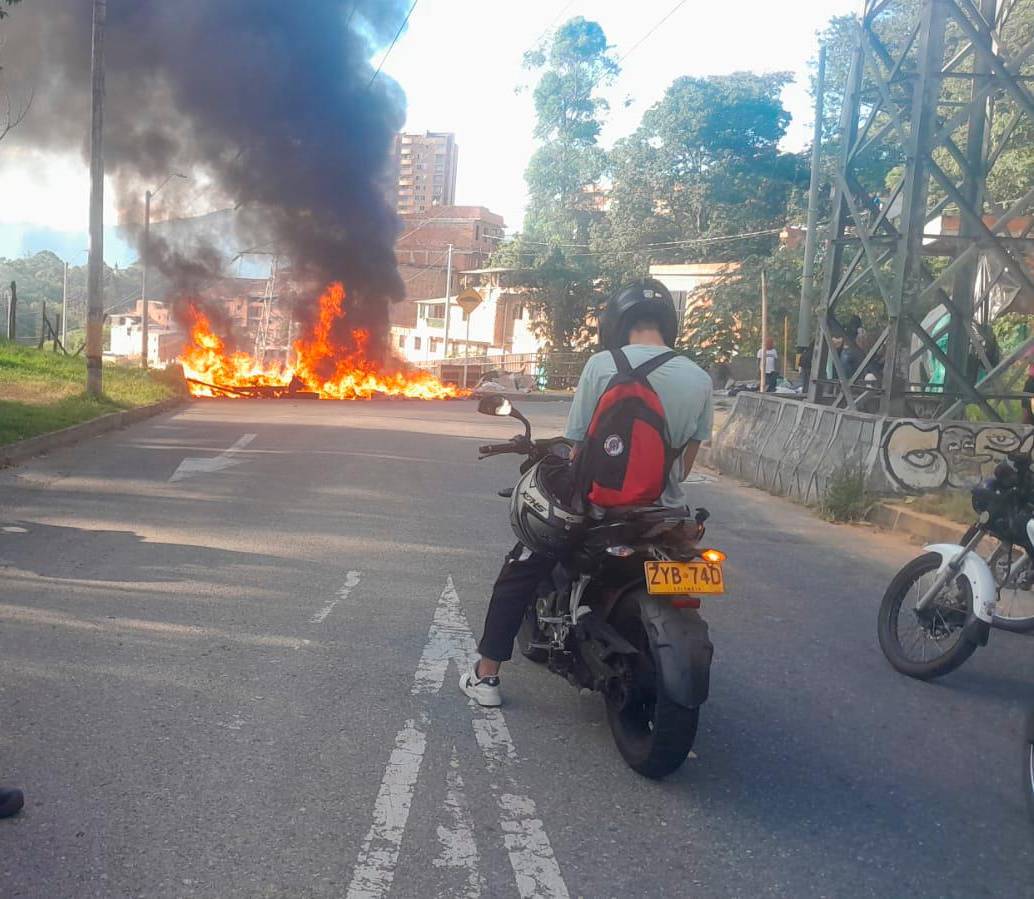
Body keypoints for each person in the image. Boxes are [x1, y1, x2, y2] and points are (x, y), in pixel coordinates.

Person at [460, 279, 714, 707]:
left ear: (615, 322)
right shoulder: (700, 378)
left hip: (601, 510)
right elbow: (684, 467)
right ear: (670, 323)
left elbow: (577, 446)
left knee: (521, 564)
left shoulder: (602, 365)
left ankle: (486, 677)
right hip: (665, 513)